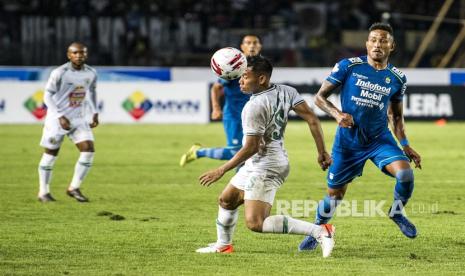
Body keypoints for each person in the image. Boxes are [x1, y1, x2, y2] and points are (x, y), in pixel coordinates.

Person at [195, 56, 335, 257]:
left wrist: (221, 169)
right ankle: (223, 245)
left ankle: (321, 231)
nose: (240, 81)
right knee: (227, 200)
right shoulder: (287, 91)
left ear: (261, 79)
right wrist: (322, 151)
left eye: (245, 77)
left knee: (255, 223)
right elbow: (312, 118)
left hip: (266, 166)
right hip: (262, 163)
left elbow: (251, 147)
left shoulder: (254, 106)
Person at [299, 22, 422, 251]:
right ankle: (318, 229)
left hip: (379, 140)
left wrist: (405, 145)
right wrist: (337, 114)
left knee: (405, 174)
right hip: (348, 142)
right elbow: (319, 98)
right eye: (373, 39)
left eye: (383, 40)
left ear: (392, 46)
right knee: (335, 195)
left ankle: (397, 212)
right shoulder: (348, 66)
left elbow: (396, 117)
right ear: (366, 44)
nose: (377, 44)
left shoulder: (397, 78)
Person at [179, 35, 262, 166]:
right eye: (248, 43)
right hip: (234, 115)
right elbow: (216, 88)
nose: (252, 46)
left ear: (260, 46)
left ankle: (241, 185)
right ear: (242, 47)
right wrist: (216, 108)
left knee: (251, 152)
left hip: (252, 115)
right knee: (235, 152)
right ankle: (199, 152)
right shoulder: (234, 65)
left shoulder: (262, 65)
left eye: (255, 43)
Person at [37, 42, 99, 203]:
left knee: (88, 150)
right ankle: (43, 192)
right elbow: (47, 96)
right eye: (75, 53)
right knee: (50, 154)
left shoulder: (91, 73)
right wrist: (59, 115)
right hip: (57, 120)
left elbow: (91, 93)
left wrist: (95, 112)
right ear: (69, 55)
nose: (79, 56)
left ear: (86, 55)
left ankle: (74, 188)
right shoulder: (60, 73)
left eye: (82, 53)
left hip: (78, 118)